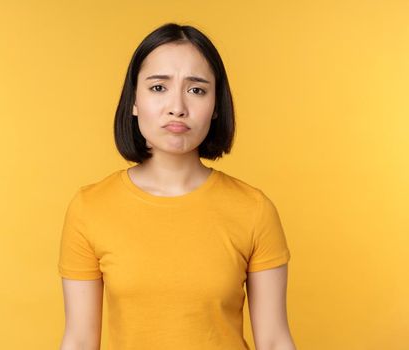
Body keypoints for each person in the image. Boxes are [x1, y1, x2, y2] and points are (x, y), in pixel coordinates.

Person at [58, 23, 296, 350]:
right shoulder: (90, 207)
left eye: (196, 90)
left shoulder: (253, 209)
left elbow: (273, 341)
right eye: (158, 88)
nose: (177, 107)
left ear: (215, 107)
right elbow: (80, 340)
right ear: (134, 101)